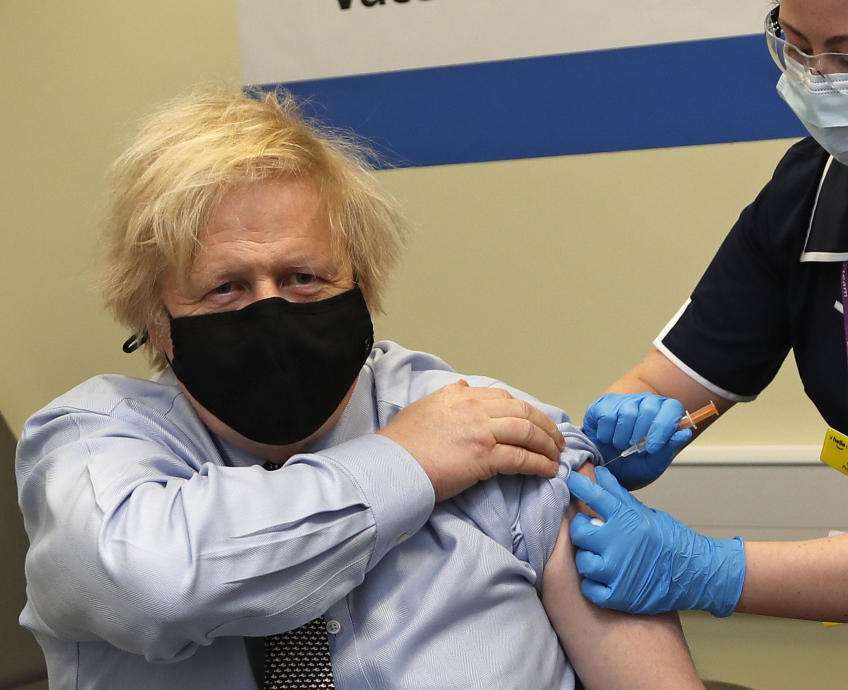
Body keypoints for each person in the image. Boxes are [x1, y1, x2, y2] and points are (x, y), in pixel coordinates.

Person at [14, 87, 703, 689]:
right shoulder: (91, 444)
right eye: (226, 288)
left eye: (303, 278)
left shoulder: (487, 423)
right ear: (157, 324)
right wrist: (404, 464)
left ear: (365, 287)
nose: (270, 309)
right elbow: (152, 586)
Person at [567, 1, 848, 688]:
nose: (817, 81)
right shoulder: (809, 194)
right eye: (797, 46)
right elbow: (665, 381)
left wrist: (706, 569)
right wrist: (624, 422)